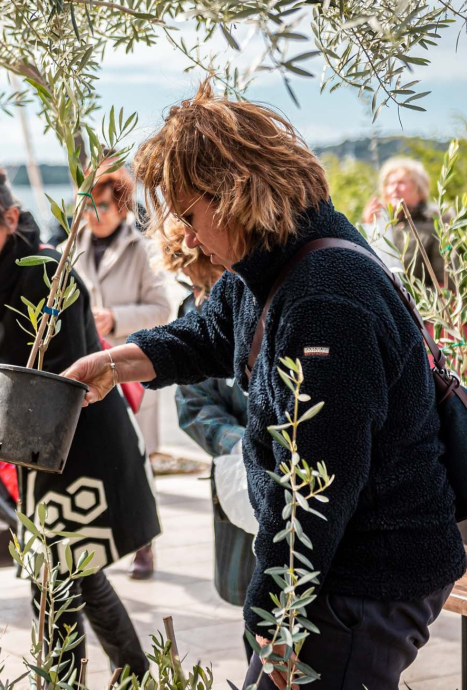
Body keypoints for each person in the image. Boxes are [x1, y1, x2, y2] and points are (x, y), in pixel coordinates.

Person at [63, 82, 466, 689]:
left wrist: (274, 622)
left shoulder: (324, 296)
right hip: (339, 565)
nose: (191, 239)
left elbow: (312, 492)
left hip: (371, 572)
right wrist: (115, 363)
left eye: (192, 217)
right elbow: (205, 332)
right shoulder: (270, 260)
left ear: (233, 195)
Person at [0, 150, 160, 678]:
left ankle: (110, 678)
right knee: (77, 580)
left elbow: (60, 384)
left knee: (58, 589)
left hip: (79, 458)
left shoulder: (48, 279)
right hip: (46, 459)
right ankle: (138, 677)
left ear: (9, 219)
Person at [62, 160, 171, 580]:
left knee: (135, 461)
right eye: (87, 203)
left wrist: (115, 318)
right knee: (96, 457)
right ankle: (99, 545)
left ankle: (144, 545)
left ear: (122, 206)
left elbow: (163, 310)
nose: (93, 212)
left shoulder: (143, 248)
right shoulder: (72, 245)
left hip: (131, 368)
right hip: (89, 368)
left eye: (102, 204)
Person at [155, 220, 257, 659]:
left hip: (291, 480)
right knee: (256, 615)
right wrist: (241, 444)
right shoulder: (189, 310)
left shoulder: (262, 295)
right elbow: (191, 404)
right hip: (237, 476)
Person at [362, 156, 445, 286]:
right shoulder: (384, 225)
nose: (394, 188)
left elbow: (447, 285)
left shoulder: (437, 225)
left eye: (401, 183)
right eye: (389, 183)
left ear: (419, 189)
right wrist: (369, 226)